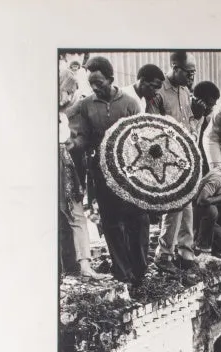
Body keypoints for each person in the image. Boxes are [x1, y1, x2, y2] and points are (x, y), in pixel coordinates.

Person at [67, 56, 149, 285]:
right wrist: (74, 143)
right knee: (112, 223)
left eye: (99, 83)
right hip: (101, 174)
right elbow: (80, 136)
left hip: (131, 175)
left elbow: (141, 137)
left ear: (111, 79)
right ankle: (122, 272)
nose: (95, 88)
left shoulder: (131, 103)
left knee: (138, 220)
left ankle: (140, 270)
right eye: (91, 84)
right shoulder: (86, 105)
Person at [150, 51, 198, 268]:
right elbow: (152, 128)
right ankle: (164, 254)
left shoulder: (185, 91)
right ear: (175, 68)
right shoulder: (158, 91)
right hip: (167, 158)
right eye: (189, 73)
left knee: (187, 203)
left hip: (186, 156)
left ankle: (185, 251)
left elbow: (188, 121)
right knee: (174, 206)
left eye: (193, 73)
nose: (191, 78)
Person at [58, 70, 102, 279]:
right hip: (61, 167)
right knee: (76, 215)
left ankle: (74, 266)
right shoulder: (61, 116)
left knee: (69, 217)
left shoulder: (62, 115)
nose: (71, 96)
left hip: (63, 165)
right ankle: (83, 266)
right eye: (69, 91)